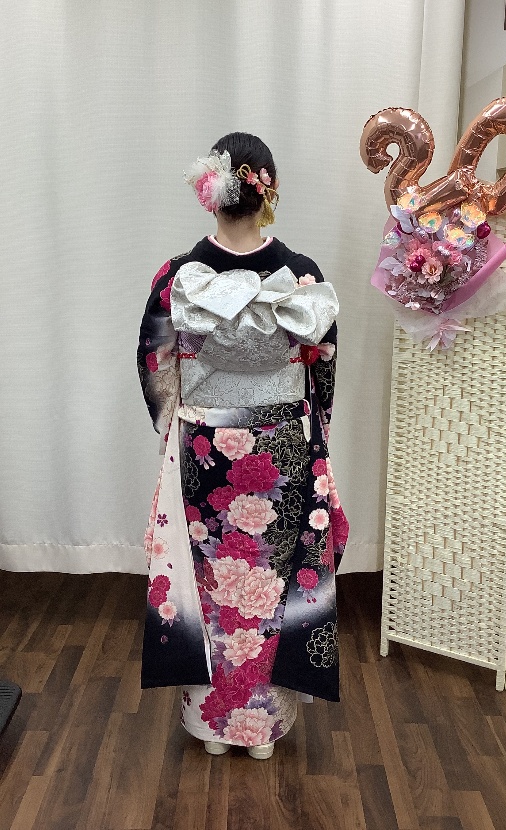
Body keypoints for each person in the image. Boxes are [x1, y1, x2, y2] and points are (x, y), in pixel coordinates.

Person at [137, 133, 348, 759]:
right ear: (269, 190)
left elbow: (155, 360)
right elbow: (323, 363)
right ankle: (262, 731)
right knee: (270, 583)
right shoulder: (302, 276)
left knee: (211, 580)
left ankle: (210, 727)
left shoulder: (178, 275)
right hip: (281, 448)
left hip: (204, 450)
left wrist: (174, 425)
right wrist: (316, 429)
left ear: (211, 193)